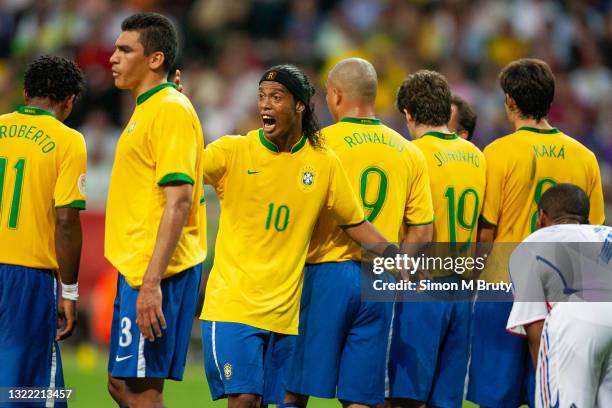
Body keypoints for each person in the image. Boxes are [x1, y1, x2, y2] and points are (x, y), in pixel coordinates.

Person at [200, 64, 400, 408]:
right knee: (245, 398)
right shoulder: (231, 152)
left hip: (285, 314)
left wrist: (396, 256)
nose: (265, 104)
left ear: (299, 106)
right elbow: (180, 179)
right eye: (261, 96)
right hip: (233, 306)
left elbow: (355, 221)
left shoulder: (323, 162)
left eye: (276, 97)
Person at [283, 58, 434, 408]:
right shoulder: (408, 151)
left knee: (294, 387)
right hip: (380, 278)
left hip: (324, 272)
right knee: (361, 396)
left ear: (335, 95)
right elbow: (423, 229)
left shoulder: (318, 143)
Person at [467, 58, 606, 408]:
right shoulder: (585, 157)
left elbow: (486, 234)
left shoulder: (498, 153)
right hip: (564, 294)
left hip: (502, 286)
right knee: (548, 395)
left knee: (495, 398)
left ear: (510, 100)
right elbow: (594, 238)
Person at [105, 12, 206, 408]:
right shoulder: (151, 106)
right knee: (119, 383)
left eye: (124, 49)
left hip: (156, 271)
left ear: (155, 60)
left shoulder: (168, 109)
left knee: (141, 392)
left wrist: (151, 284)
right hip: (136, 267)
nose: (113, 57)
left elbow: (178, 201)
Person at [387, 70, 486, 408]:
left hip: (420, 287)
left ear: (408, 113)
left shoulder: (410, 155)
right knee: (445, 400)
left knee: (402, 398)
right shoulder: (477, 157)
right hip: (461, 291)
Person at [0, 55, 86, 408]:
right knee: (29, 392)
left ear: (25, 93)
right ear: (69, 101)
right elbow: (66, 222)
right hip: (28, 278)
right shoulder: (68, 141)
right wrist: (69, 291)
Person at [506, 183, 612, 408]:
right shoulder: (609, 233)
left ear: (541, 215)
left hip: (576, 318)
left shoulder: (533, 243)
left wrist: (547, 376)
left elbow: (535, 324)